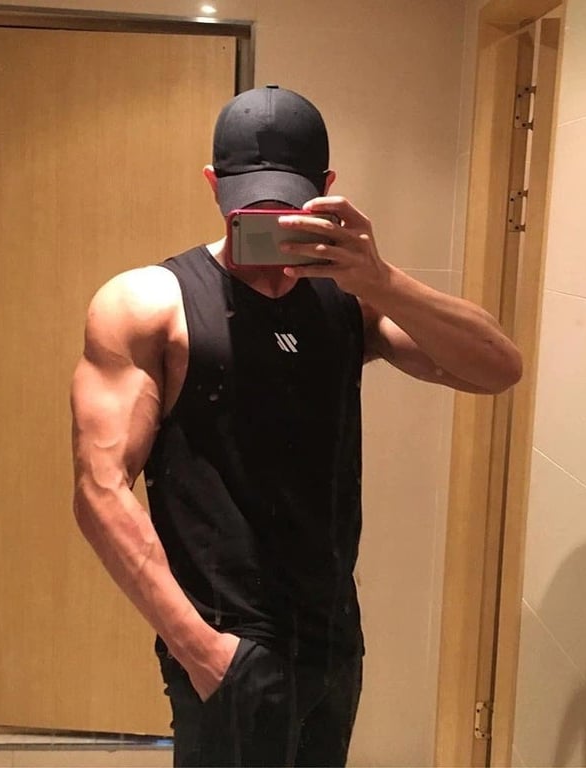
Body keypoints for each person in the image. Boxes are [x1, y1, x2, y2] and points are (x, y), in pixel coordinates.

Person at [70, 85, 522, 767]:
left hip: (335, 636)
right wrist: (203, 653)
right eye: (250, 209)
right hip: (226, 641)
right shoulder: (149, 304)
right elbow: (99, 489)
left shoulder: (354, 298)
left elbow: (497, 368)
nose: (269, 230)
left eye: (285, 209)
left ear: (325, 190)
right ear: (213, 186)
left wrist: (383, 278)